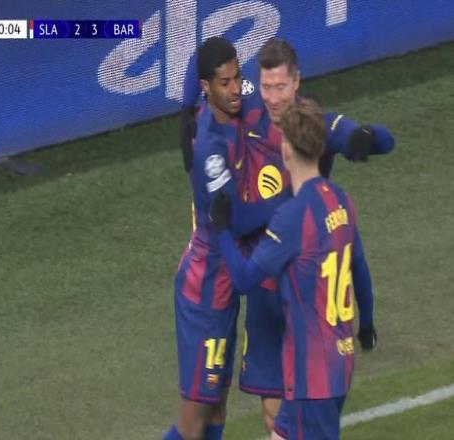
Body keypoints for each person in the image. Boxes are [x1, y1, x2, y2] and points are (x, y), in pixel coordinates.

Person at [179, 37, 394, 433]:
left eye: (281, 86)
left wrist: (365, 136)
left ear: (296, 82)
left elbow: (367, 137)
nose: (273, 97)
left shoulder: (308, 125)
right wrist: (184, 111)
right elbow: (205, 67)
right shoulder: (245, 103)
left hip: (303, 295)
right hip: (266, 285)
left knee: (282, 421)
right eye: (266, 86)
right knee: (268, 413)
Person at [209, 98, 377, 440]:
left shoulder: (294, 216)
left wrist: (223, 230)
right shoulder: (340, 200)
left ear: (286, 150)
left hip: (311, 377)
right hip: (335, 363)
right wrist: (367, 322)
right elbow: (358, 266)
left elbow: (244, 279)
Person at [163, 37, 289, 440]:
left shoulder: (236, 97)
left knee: (217, 405)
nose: (236, 88)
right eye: (225, 82)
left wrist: (184, 105)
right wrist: (285, 201)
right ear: (208, 86)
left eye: (237, 77)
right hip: (205, 290)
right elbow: (235, 222)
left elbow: (201, 59)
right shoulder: (210, 149)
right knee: (194, 420)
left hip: (227, 284)